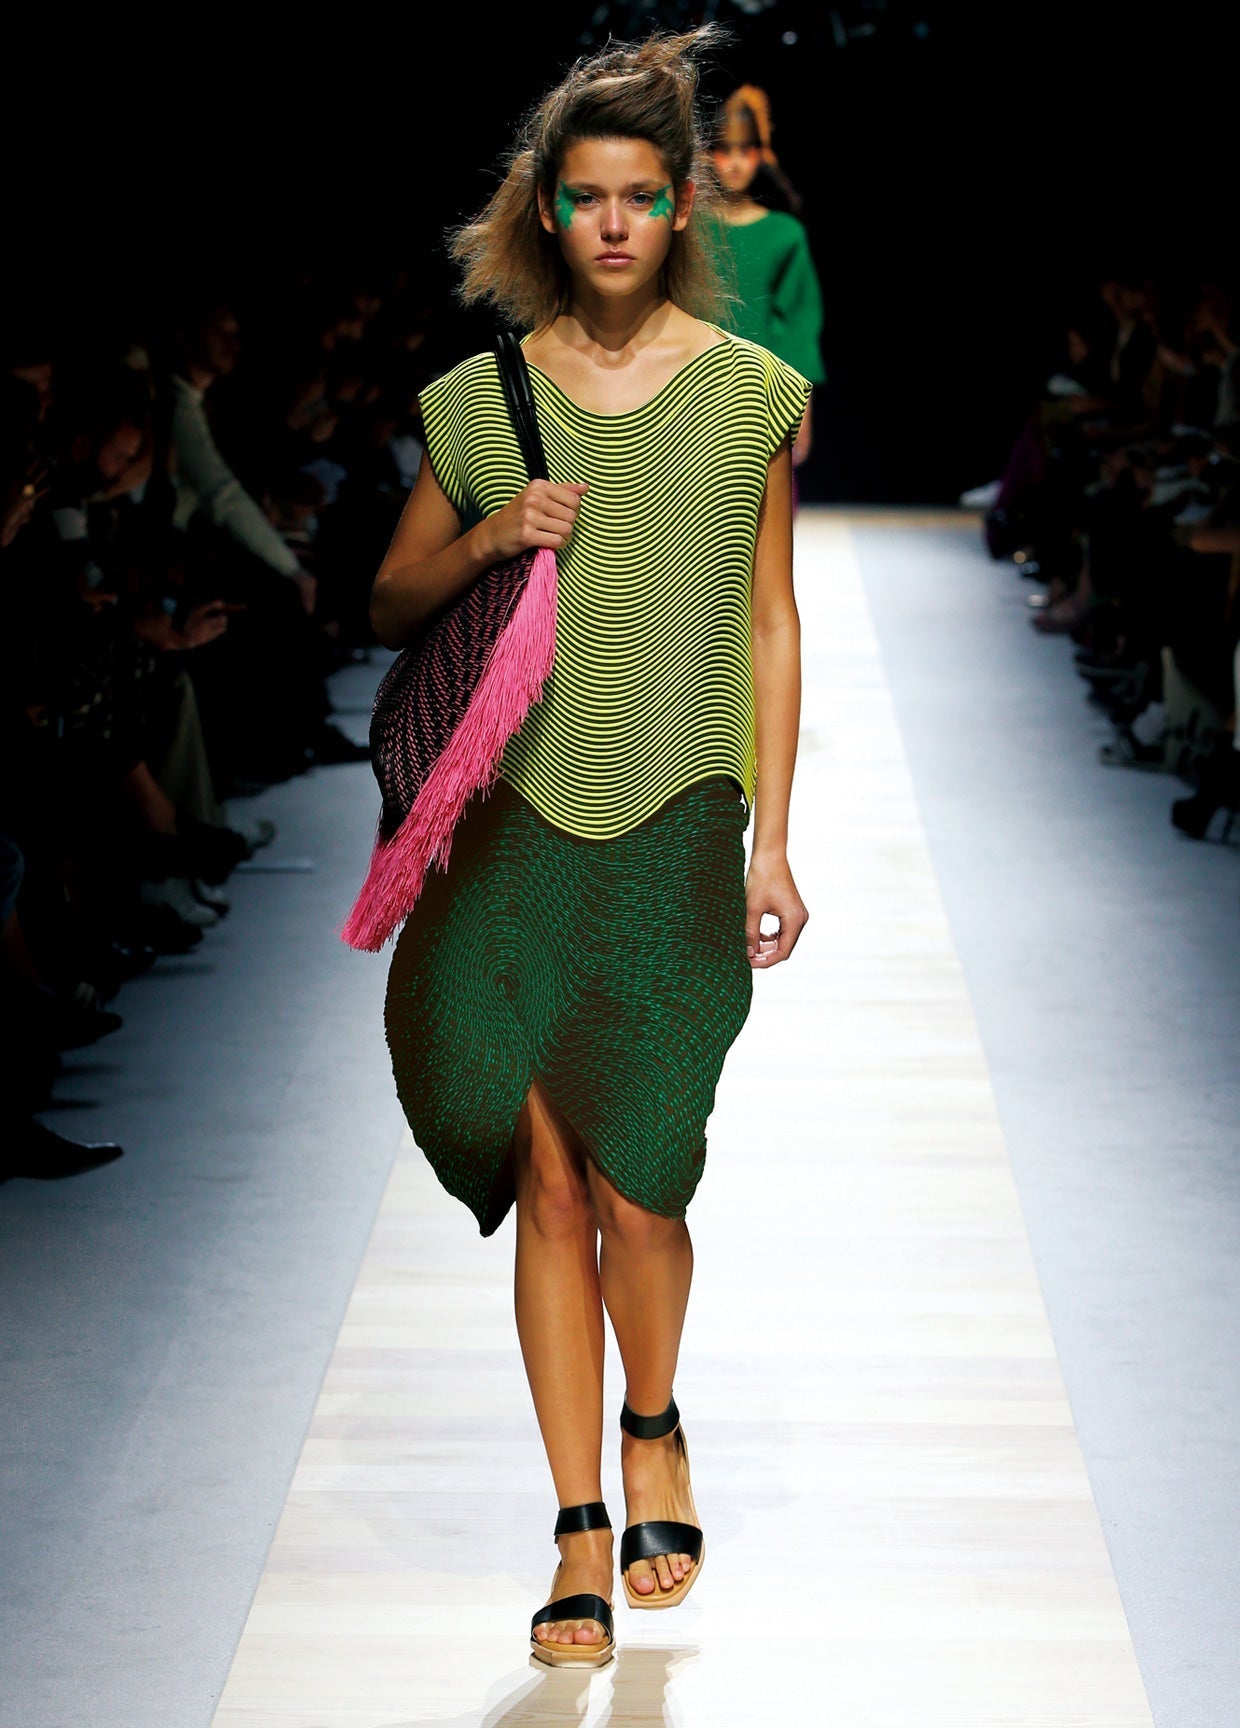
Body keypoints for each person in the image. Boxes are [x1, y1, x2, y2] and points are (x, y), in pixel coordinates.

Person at [368, 28, 810, 1668]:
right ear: (545, 210)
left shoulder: (751, 393)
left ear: (679, 206)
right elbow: (390, 599)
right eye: (585, 196)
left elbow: (770, 619)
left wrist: (774, 839)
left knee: (645, 1180)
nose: (613, 223)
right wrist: (492, 530)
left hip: (680, 825)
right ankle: (575, 1525)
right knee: (551, 1182)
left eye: (639, 195)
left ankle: (654, 1418)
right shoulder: (480, 401)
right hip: (512, 833)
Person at [710, 85, 825, 469]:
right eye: (724, 150)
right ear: (707, 155)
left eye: (745, 151)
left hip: (764, 397)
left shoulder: (784, 235)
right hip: (690, 386)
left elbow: (799, 327)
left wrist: (803, 411)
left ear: (760, 155)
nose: (735, 163)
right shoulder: (684, 231)